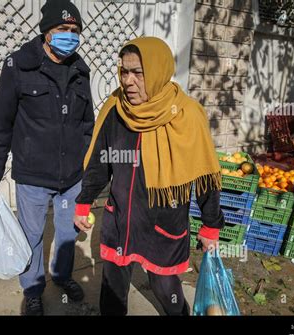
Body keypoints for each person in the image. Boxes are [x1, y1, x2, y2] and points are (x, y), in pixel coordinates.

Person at [73, 37, 224, 316]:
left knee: (167, 290)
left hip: (163, 224)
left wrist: (211, 225)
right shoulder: (115, 109)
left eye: (138, 73)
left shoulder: (187, 115)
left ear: (157, 71)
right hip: (122, 219)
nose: (128, 81)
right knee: (112, 292)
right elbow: (99, 162)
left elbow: (205, 175)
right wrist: (84, 202)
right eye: (124, 71)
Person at [0, 0, 94, 316]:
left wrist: (87, 167)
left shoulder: (80, 70)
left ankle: (62, 276)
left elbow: (88, 125)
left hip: (71, 177)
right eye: (63, 30)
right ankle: (32, 289)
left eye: (75, 31)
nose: (70, 36)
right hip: (32, 175)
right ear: (46, 32)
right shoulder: (18, 66)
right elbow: (1, 124)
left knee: (68, 233)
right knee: (30, 235)